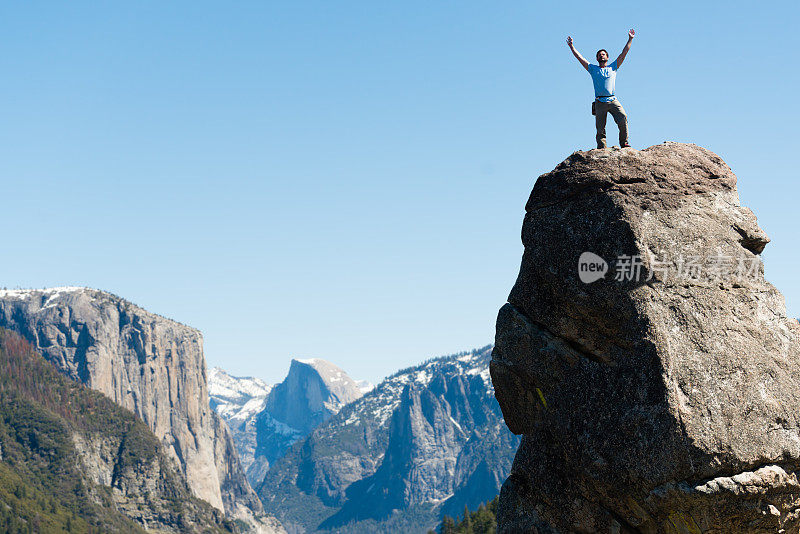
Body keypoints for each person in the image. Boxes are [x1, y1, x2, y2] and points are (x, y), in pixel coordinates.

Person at [567, 30, 635, 149]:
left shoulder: (613, 67)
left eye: (603, 54)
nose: (601, 55)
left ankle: (624, 142)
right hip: (599, 102)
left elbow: (624, 53)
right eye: (599, 54)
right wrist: (572, 47)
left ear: (607, 57)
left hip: (613, 100)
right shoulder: (593, 69)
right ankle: (602, 147)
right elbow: (580, 58)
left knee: (623, 118)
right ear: (597, 58)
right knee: (600, 128)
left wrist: (630, 39)